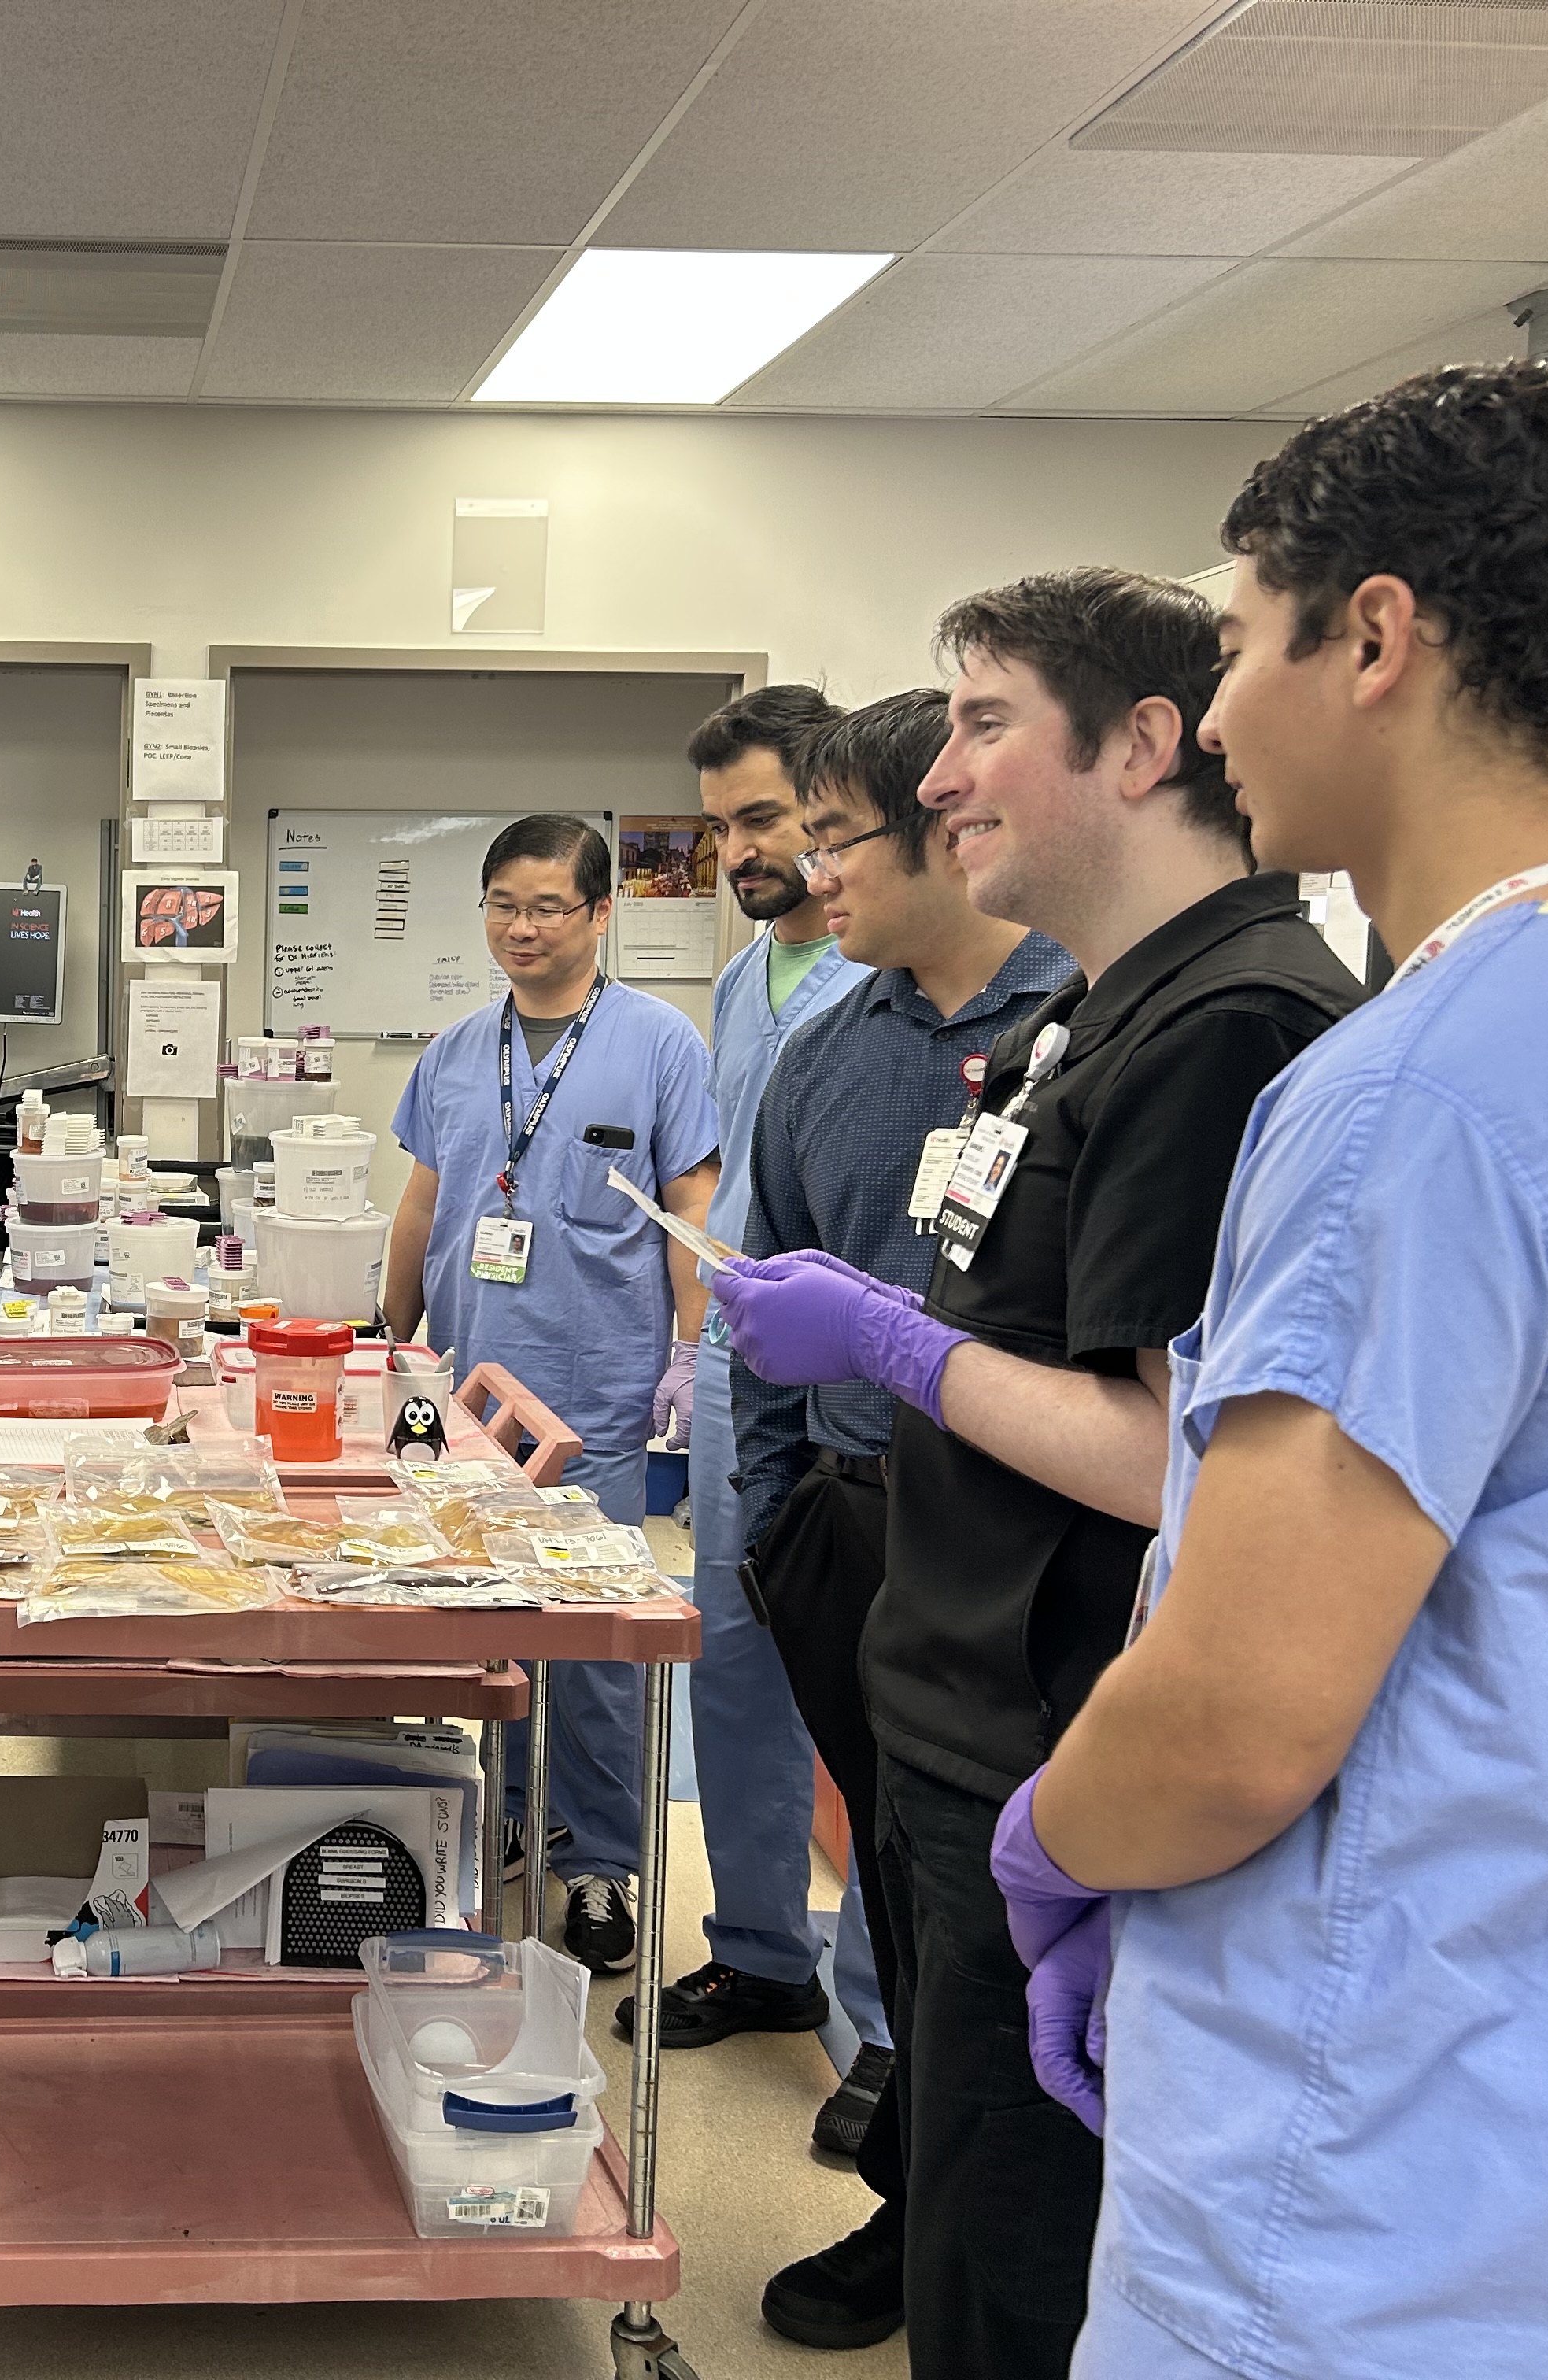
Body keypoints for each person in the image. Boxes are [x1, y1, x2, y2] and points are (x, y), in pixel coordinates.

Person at [1002, 364, 1548, 2377]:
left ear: (1373, 636)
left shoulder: (1414, 1092)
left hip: (1360, 2179)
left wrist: (1050, 1842)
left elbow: (1232, 1723)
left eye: (1231, 644)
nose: (1210, 716)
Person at [717, 567, 1361, 2376]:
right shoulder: (1093, 1014)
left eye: (985, 723)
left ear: (1146, 745)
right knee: (968, 2227)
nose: (940, 782)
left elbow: (1185, 1459)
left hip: (1050, 1748)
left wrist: (902, 1348)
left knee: (1021, 2267)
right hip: (959, 1713)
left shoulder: (1238, 1025)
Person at [722, 688, 1074, 2352]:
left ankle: (980, 2242)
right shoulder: (823, 1055)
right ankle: (908, 2208)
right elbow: (758, 1313)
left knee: (998, 1928)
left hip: (1026, 1557)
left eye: (834, 835)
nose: (807, 869)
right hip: (856, 1530)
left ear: (953, 831)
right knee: (896, 1898)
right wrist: (778, 1522)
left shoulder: (1079, 1032)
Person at [381, 812, 720, 1973]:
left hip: (599, 1396)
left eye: (547, 908)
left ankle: (600, 1866)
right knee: (483, 1626)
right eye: (502, 906)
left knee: (589, 1648)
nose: (521, 930)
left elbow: (691, 1214)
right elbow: (424, 1206)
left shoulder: (659, 1044)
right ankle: (514, 1821)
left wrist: (693, 1348)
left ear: (599, 913)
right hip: (470, 1399)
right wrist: (391, 1339)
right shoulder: (456, 1051)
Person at [658, 683, 889, 2141]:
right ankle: (760, 1955)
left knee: (870, 1704)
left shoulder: (894, 979)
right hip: (746, 1372)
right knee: (733, 1663)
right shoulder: (749, 981)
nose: (740, 851)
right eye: (721, 823)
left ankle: (882, 2021)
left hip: (864, 1386)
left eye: (766, 820)